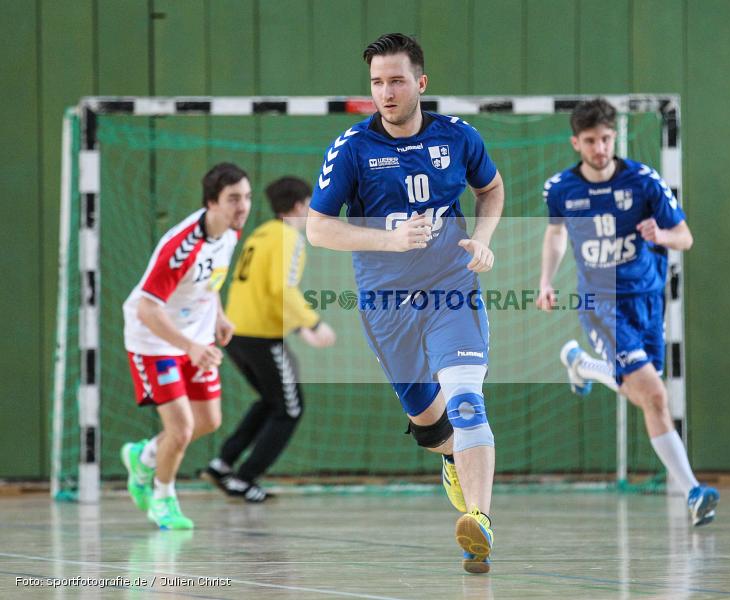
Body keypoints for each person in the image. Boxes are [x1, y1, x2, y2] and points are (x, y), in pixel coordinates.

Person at [305, 33, 504, 573]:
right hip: (387, 304)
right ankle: (451, 461)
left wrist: (483, 240)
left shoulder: (458, 137)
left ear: (420, 82)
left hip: (450, 290)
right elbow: (318, 229)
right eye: (376, 83)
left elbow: (491, 188)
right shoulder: (352, 148)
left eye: (395, 80)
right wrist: (388, 240)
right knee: (431, 427)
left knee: (466, 401)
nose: (385, 92)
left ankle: (479, 522)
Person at [537, 99, 720, 527]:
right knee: (655, 395)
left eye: (605, 139)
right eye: (590, 141)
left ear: (614, 137)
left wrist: (663, 234)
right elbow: (555, 234)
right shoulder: (562, 188)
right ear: (576, 143)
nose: (599, 148)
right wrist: (546, 281)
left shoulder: (643, 181)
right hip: (601, 305)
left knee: (645, 396)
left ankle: (582, 365)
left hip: (648, 300)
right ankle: (693, 492)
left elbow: (686, 237)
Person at [120, 162, 252, 530]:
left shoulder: (229, 232)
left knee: (208, 421)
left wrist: (219, 316)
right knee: (180, 429)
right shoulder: (182, 247)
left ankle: (144, 455)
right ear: (212, 202)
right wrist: (191, 347)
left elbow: (210, 282)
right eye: (233, 199)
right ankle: (162, 499)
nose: (243, 206)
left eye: (246, 197)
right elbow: (147, 308)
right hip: (154, 341)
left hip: (196, 334)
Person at [203, 176, 336, 502]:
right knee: (290, 409)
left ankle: (223, 463)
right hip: (261, 337)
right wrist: (313, 322)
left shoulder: (261, 234)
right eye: (310, 205)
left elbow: (264, 290)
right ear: (299, 206)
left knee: (271, 400)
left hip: (239, 334)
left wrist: (296, 326)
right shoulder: (289, 238)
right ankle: (244, 479)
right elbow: (282, 289)